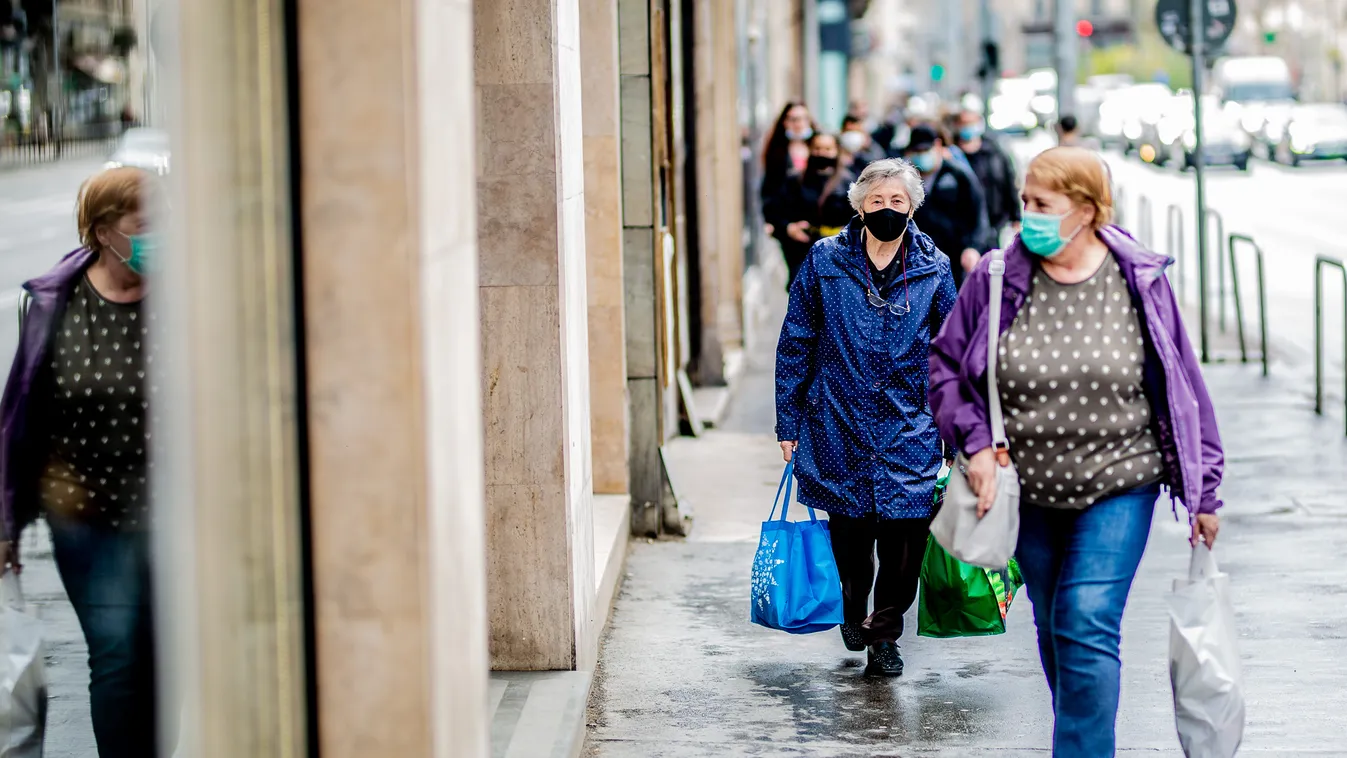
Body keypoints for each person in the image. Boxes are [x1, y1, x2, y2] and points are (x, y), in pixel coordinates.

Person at [928, 147, 1224, 756]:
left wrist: (1205, 491)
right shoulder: (995, 277)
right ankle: (1083, 733)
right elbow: (947, 369)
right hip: (1025, 489)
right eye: (1024, 203)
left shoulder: (1138, 280)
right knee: (1056, 628)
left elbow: (1183, 385)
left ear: (1087, 210)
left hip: (1121, 482)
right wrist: (977, 446)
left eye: (1042, 205)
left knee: (1086, 619)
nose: (1027, 217)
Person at [0, 166, 162, 757]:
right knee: (115, 653)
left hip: (172, 512)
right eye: (145, 225)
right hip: (84, 512)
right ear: (102, 232)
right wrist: (6, 521)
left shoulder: (186, 294)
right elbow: (21, 414)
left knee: (160, 656)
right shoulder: (53, 304)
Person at [775, 159, 958, 677]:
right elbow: (796, 343)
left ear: (912, 207)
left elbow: (954, 351)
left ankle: (884, 634)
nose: (886, 210)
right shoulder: (824, 261)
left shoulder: (934, 266)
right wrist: (788, 422)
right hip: (839, 424)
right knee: (852, 545)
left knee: (906, 541)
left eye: (896, 202)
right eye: (876, 202)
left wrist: (959, 426)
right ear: (859, 207)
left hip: (911, 425)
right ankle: (853, 609)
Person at [902, 123, 988, 289]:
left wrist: (973, 247)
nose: (921, 156)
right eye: (917, 152)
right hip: (918, 260)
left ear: (938, 146)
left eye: (925, 151)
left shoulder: (958, 176)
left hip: (955, 257)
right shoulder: (906, 181)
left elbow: (978, 214)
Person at [766, 132, 855, 289]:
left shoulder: (848, 181)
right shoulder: (794, 180)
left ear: (836, 150)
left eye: (827, 149)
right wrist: (789, 228)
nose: (822, 153)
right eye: (817, 148)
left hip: (838, 254)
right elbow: (774, 211)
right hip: (802, 252)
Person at [956, 109, 1022, 251]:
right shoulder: (953, 155)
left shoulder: (995, 153)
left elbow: (1009, 184)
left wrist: (1016, 217)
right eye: (964, 123)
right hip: (964, 229)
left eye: (971, 123)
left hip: (995, 223)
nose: (968, 128)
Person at [760, 101, 818, 238]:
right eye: (793, 119)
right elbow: (770, 191)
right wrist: (783, 226)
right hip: (789, 226)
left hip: (817, 224)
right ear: (784, 122)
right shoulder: (776, 154)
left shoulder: (819, 147)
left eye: (803, 118)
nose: (798, 124)